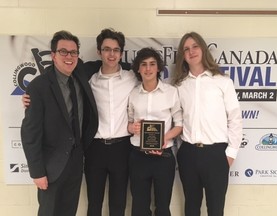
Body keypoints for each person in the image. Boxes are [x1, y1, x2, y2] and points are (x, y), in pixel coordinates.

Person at [21, 30, 98, 216]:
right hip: (51, 166)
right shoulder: (38, 87)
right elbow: (30, 133)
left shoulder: (81, 76)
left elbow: (107, 63)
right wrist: (37, 172)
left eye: (73, 52)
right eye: (63, 52)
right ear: (53, 55)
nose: (69, 57)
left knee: (68, 211)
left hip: (75, 161)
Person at [172, 31, 242, 216]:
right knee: (191, 208)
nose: (191, 51)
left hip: (216, 155)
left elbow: (235, 118)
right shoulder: (179, 85)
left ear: (203, 49)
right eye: (186, 49)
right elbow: (177, 120)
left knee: (216, 210)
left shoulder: (223, 82)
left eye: (195, 46)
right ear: (182, 55)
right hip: (188, 153)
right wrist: (180, 150)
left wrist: (230, 154)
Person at [83, 28, 138, 216]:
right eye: (106, 49)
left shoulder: (133, 77)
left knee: (118, 204)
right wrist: (31, 93)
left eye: (116, 50)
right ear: (99, 52)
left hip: (122, 149)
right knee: (94, 204)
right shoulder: (88, 78)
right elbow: (59, 75)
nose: (111, 54)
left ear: (121, 53)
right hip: (95, 149)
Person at [127, 47, 183, 216]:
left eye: (152, 64)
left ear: (159, 68)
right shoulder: (133, 94)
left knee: (163, 207)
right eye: (143, 64)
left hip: (163, 157)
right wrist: (132, 128)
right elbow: (129, 123)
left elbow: (179, 125)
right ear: (138, 68)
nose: (148, 68)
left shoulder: (171, 93)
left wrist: (163, 139)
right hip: (138, 157)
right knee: (139, 207)